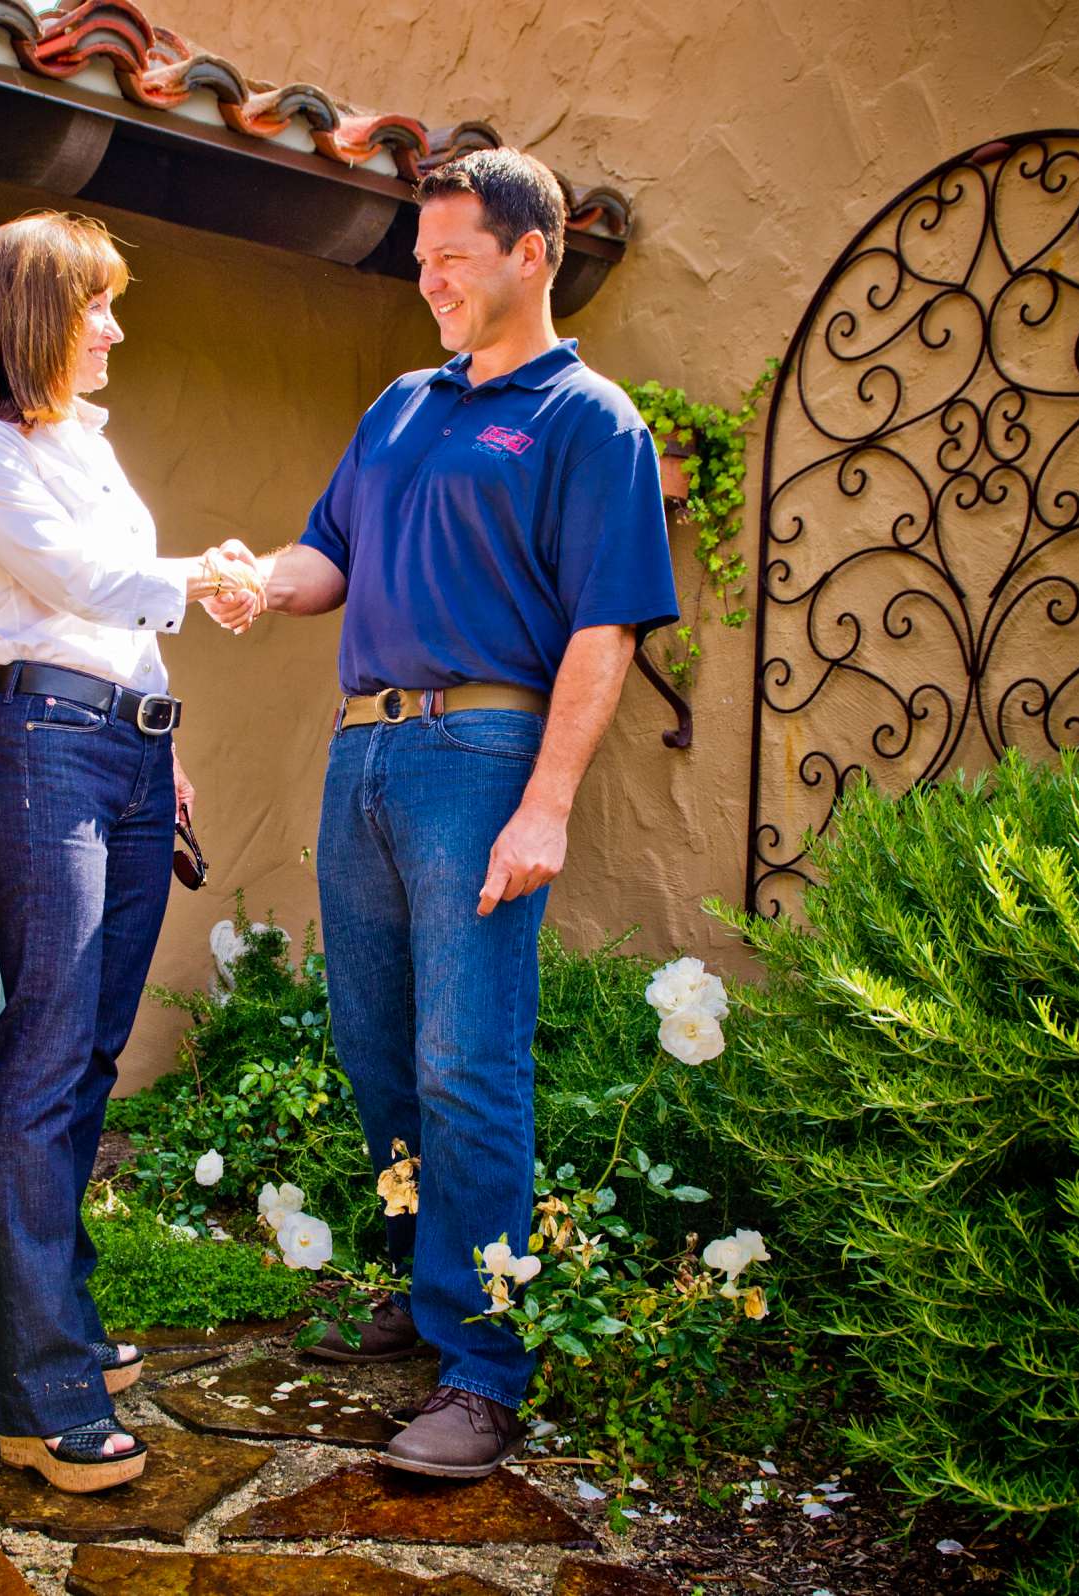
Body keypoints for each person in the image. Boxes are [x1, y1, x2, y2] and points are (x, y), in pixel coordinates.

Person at [208, 148, 678, 1479]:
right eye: (420, 261)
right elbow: (328, 558)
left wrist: (549, 803)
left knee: (469, 1061)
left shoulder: (590, 420)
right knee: (373, 1048)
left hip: (483, 754)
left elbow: (606, 629)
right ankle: (427, 1300)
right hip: (362, 758)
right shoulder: (403, 407)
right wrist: (260, 580)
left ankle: (486, 1366)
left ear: (534, 253)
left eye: (451, 258)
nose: (429, 281)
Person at [0, 212, 261, 1494]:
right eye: (98, 306)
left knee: (92, 1052)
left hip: (120, 748)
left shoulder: (87, 442)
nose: (116, 326)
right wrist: (215, 573)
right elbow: (76, 579)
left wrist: (161, 744)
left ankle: (50, 1319)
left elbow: (122, 610)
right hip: (45, 749)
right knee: (51, 1042)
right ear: (35, 315)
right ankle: (34, 1386)